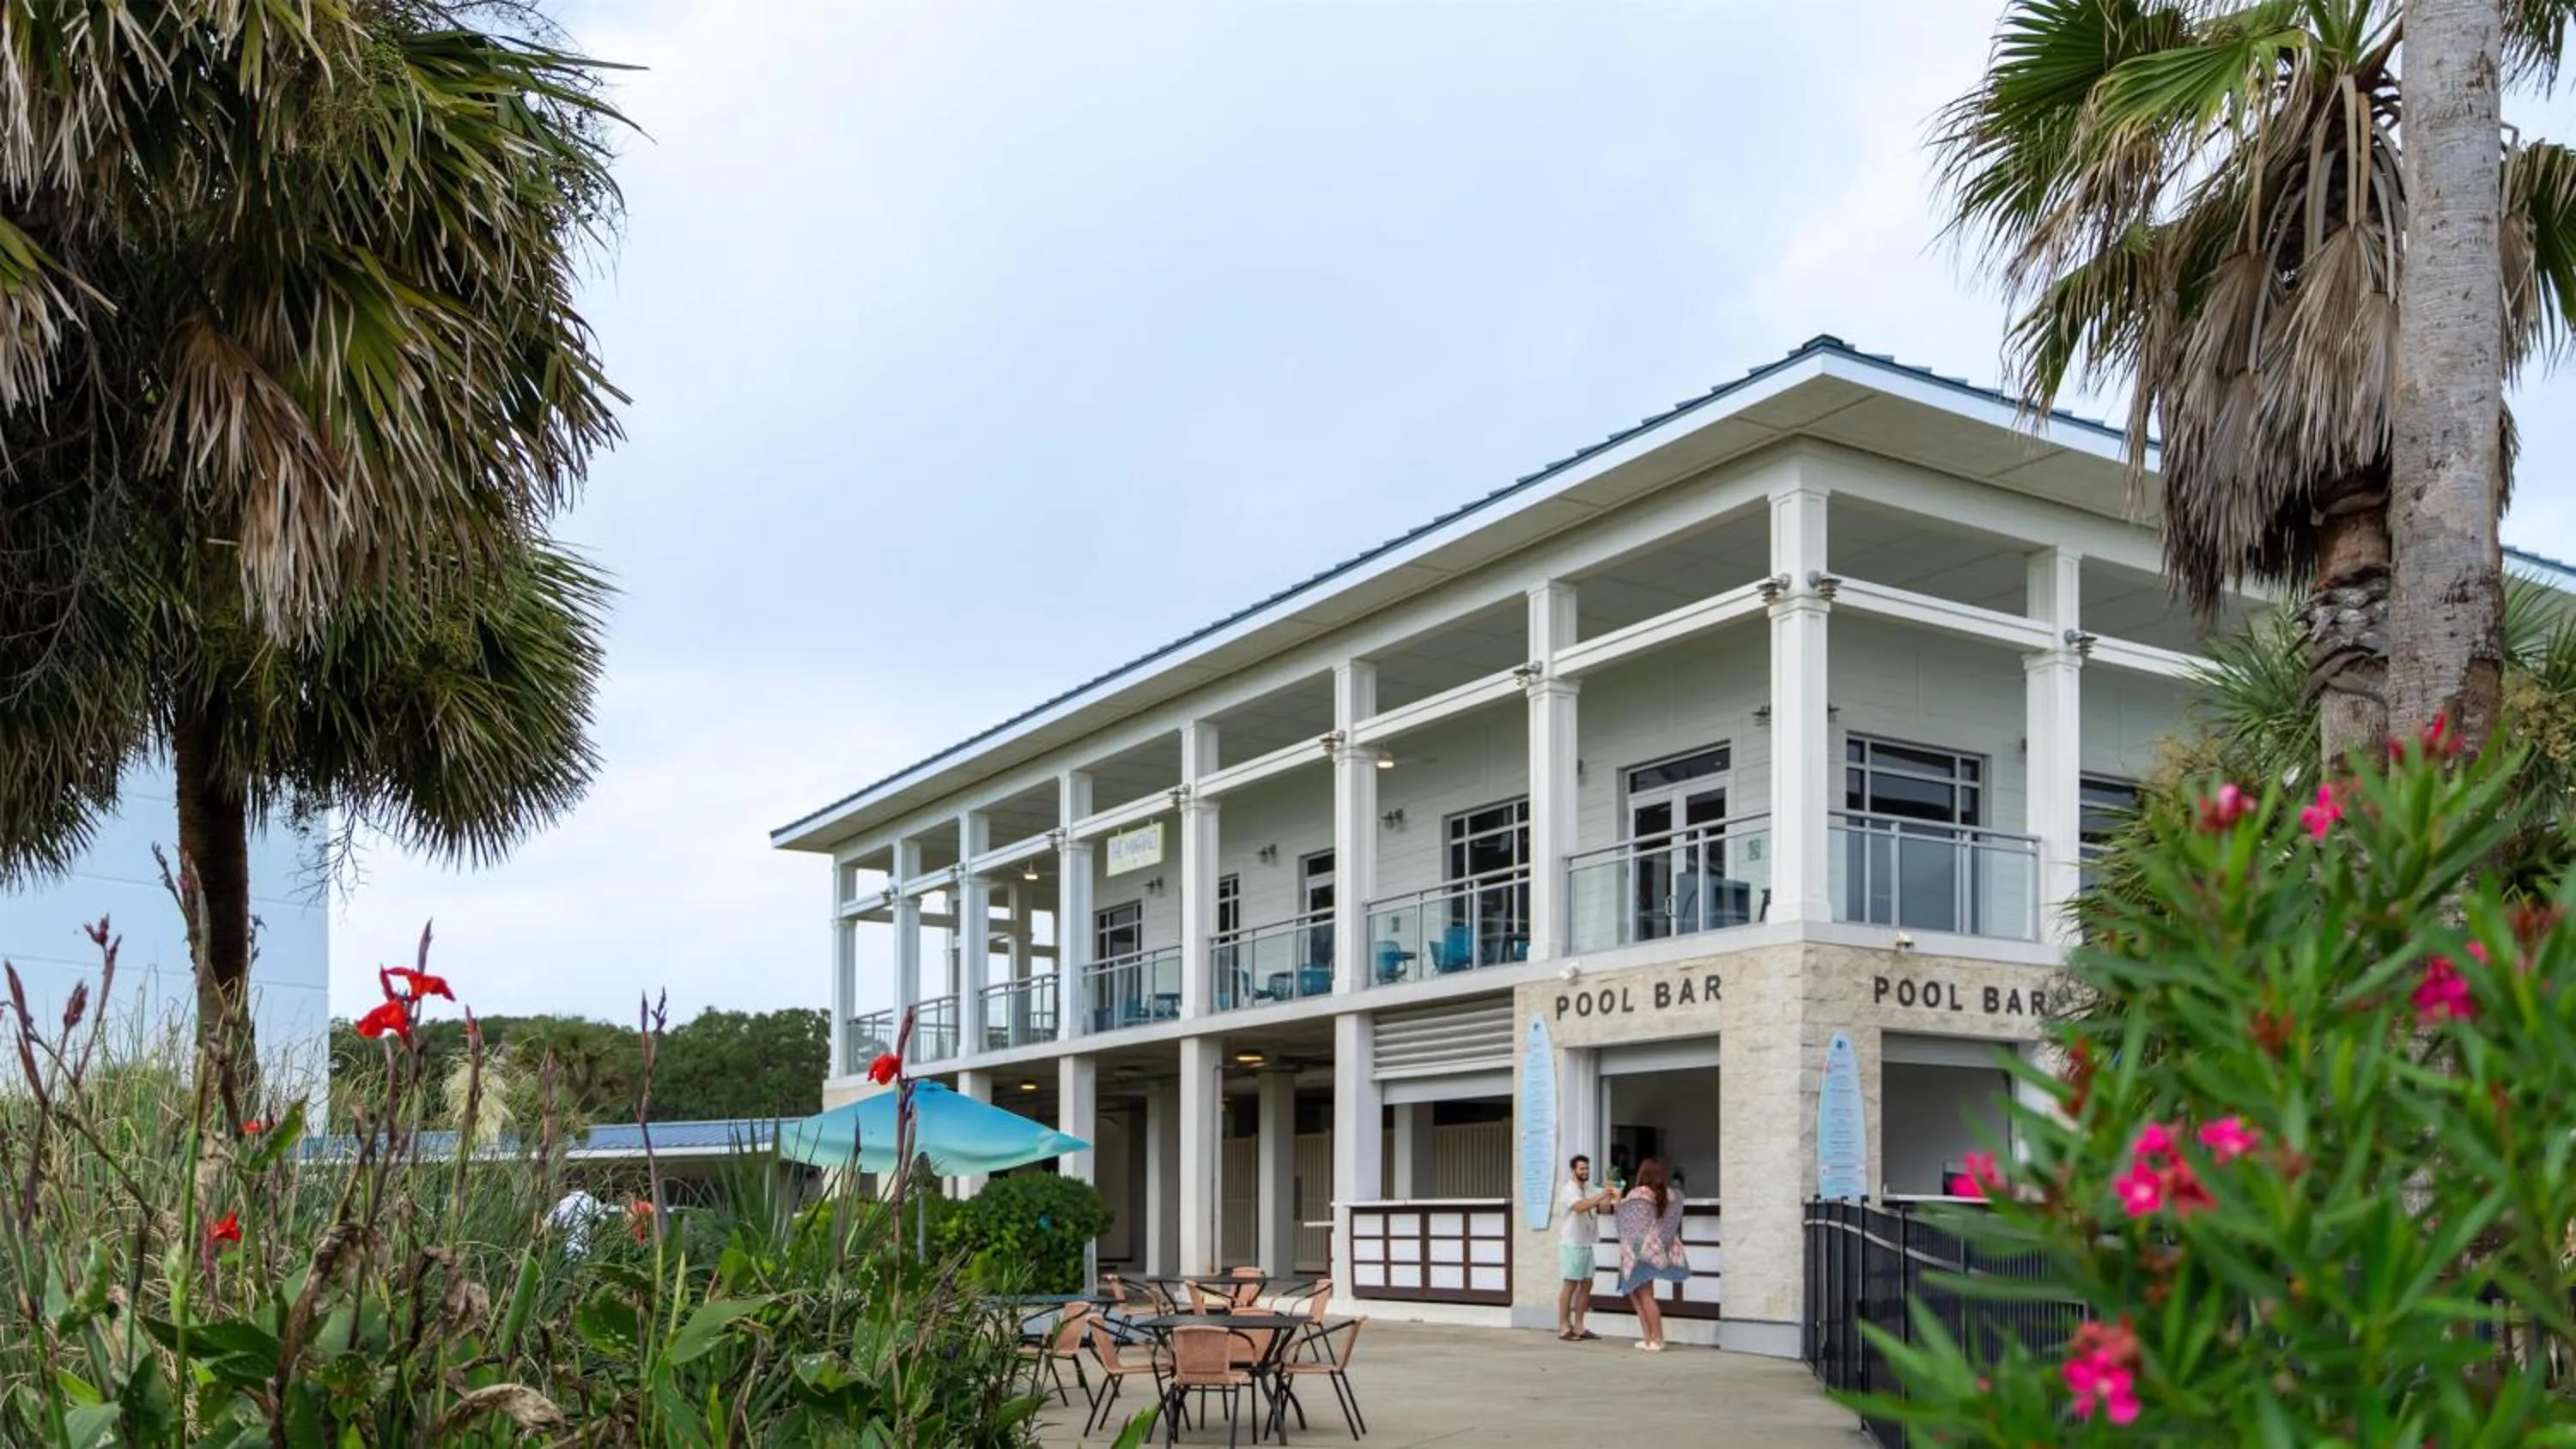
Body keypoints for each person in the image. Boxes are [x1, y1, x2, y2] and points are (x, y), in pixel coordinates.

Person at [1613, 1157, 1691, 1351]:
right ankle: (1649, 1339)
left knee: (1642, 1294)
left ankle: (1657, 1339)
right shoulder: (1670, 1194)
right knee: (1642, 1293)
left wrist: (1616, 1198)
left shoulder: (1639, 1192)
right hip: (1656, 1249)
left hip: (1638, 1250)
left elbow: (1623, 1216)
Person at [1555, 1154, 1616, 1341]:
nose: (1585, 1172)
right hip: (1571, 1244)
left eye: (1587, 1168)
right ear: (1573, 1170)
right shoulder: (1568, 1190)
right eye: (1582, 1169)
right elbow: (1580, 1207)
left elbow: (1602, 1205)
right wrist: (1601, 1196)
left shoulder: (1589, 1188)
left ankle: (1580, 1326)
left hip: (1587, 1243)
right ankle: (1564, 1327)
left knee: (1587, 1284)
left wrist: (1607, 1201)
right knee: (1570, 1284)